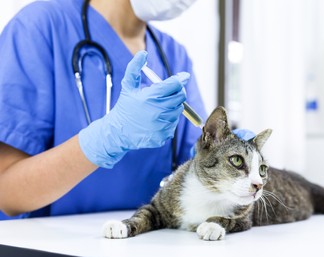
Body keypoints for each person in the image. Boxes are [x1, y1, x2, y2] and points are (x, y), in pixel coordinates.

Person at [0, 0, 207, 220]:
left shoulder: (173, 55)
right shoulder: (40, 27)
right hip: (52, 245)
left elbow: (197, 167)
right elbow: (6, 194)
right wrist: (105, 139)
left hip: (145, 241)